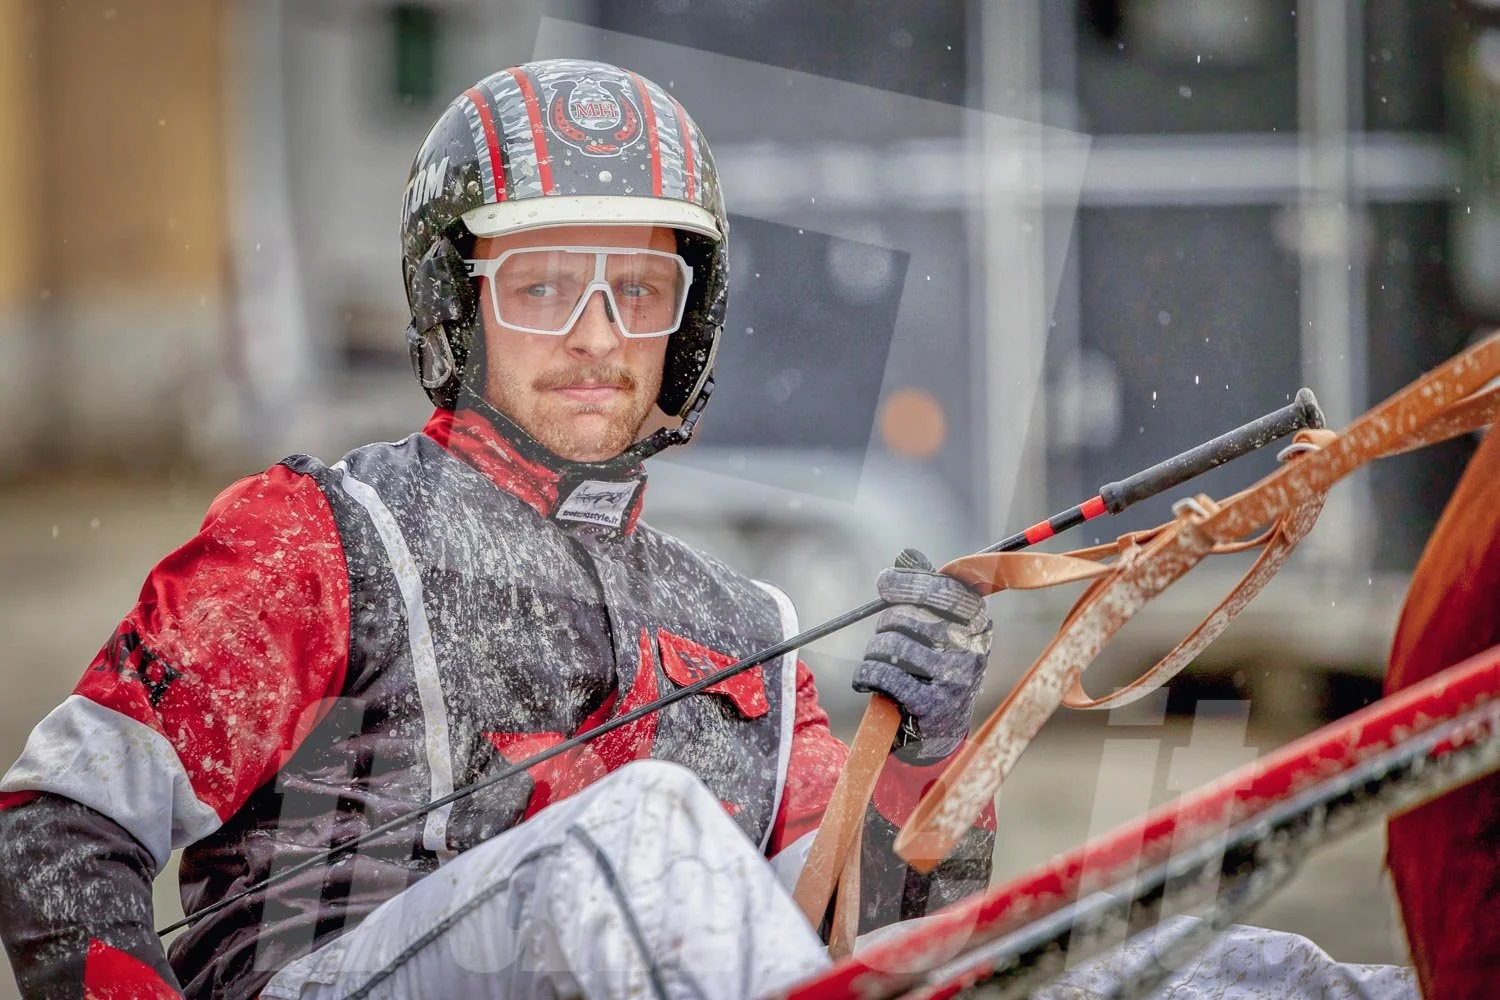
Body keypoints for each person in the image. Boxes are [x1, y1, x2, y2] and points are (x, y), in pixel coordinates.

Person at [0, 59, 997, 1000]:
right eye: (545, 287)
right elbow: (58, 826)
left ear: (686, 326)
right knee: (645, 826)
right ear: (457, 304)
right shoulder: (322, 541)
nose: (598, 335)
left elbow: (863, 945)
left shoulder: (749, 628)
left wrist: (924, 763)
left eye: (639, 292)